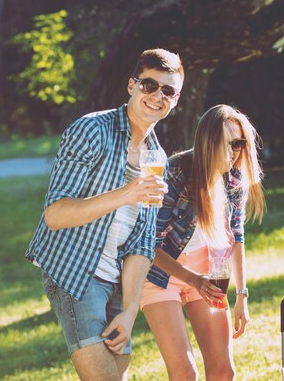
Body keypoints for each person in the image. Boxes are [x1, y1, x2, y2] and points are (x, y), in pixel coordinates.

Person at [25, 48, 184, 380]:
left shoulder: (157, 157)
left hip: (117, 280)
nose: (157, 96)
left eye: (168, 90)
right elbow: (55, 214)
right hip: (74, 273)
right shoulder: (91, 131)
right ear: (131, 86)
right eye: (149, 85)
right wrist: (128, 192)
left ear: (176, 99)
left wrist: (129, 312)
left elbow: (142, 244)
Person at [139, 104, 265, 381]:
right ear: (208, 142)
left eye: (240, 144)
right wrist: (192, 279)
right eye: (228, 143)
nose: (235, 152)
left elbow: (237, 235)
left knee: (223, 371)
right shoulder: (173, 174)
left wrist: (242, 295)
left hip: (206, 274)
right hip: (160, 274)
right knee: (184, 373)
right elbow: (146, 244)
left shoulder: (233, 178)